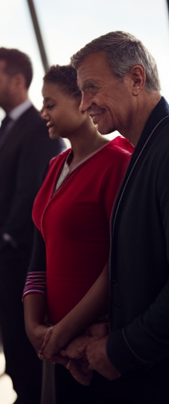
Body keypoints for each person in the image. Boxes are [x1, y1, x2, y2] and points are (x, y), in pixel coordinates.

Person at [62, 31, 169, 402]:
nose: (83, 105)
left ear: (136, 79)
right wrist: (109, 331)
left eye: (92, 88)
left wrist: (118, 348)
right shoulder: (144, 150)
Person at [22, 65, 133, 402]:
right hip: (57, 337)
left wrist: (63, 332)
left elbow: (119, 263)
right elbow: (41, 249)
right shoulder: (56, 165)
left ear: (82, 102)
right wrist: (33, 327)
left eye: (50, 104)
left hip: (94, 338)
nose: (43, 113)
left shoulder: (118, 164)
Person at [0, 47, 64, 403]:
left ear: (18, 81)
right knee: (9, 326)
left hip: (15, 252)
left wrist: (6, 238)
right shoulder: (9, 123)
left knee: (19, 330)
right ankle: (20, 390)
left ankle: (27, 394)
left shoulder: (39, 126)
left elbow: (31, 190)